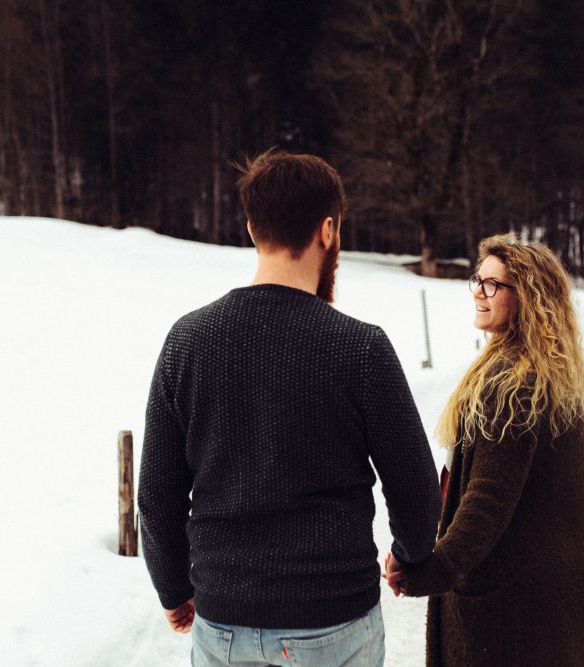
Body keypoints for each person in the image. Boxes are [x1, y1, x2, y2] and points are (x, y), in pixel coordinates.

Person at [138, 150, 442, 667]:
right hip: (334, 624)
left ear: (253, 228)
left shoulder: (187, 341)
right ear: (328, 231)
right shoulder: (360, 348)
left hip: (222, 628)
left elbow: (157, 495)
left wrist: (173, 588)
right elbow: (416, 490)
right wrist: (409, 559)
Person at [385, 234, 584, 666]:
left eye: (493, 284)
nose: (478, 292)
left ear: (527, 295)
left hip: (522, 600)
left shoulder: (511, 384)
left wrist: (432, 571)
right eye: (478, 280)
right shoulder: (556, 372)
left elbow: (487, 501)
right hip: (569, 583)